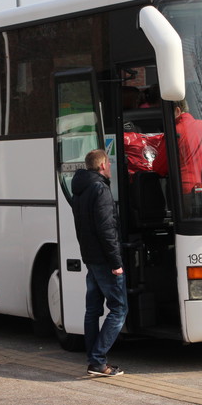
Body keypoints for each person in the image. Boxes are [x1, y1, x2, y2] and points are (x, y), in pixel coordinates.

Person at [71, 149, 127, 377]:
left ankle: (93, 359)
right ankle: (97, 360)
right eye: (109, 163)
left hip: (91, 258)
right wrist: (116, 262)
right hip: (104, 259)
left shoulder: (80, 189)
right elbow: (106, 229)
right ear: (102, 165)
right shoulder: (100, 189)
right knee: (119, 309)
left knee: (92, 310)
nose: (110, 167)